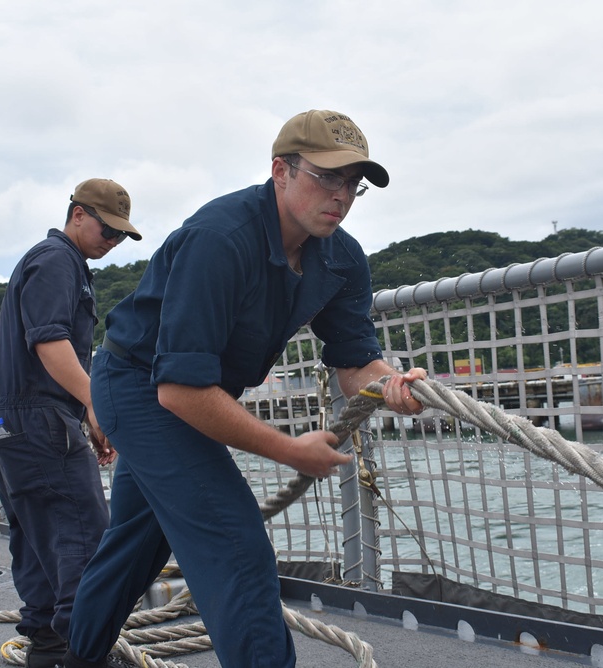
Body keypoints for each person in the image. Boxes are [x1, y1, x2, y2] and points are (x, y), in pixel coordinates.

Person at [62, 110, 427, 668]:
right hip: (138, 388)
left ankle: (77, 657)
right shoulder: (221, 237)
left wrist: (392, 384)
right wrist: (288, 449)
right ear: (280, 170)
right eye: (326, 177)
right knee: (236, 544)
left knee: (136, 545)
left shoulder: (343, 257)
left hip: (185, 392)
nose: (341, 195)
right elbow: (180, 391)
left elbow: (355, 360)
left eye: (353, 184)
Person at [0, 178, 142, 668]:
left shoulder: (54, 261)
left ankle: (48, 647)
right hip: (40, 420)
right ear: (78, 214)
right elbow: (50, 343)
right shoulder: (58, 261)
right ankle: (84, 653)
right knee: (84, 537)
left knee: (37, 540)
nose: (113, 242)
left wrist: (83, 414)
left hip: (15, 422)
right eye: (108, 229)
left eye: (121, 235)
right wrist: (95, 405)